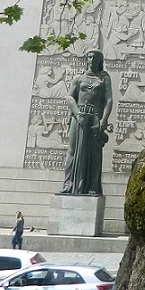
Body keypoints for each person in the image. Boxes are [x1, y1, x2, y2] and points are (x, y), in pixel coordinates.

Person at [60, 48, 114, 196]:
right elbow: (70, 97)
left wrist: (104, 119)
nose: (92, 60)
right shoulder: (78, 78)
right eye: (89, 57)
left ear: (99, 60)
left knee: (94, 154)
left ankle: (92, 186)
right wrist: (77, 114)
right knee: (72, 150)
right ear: (86, 59)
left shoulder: (104, 78)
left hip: (94, 118)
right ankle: (69, 184)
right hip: (79, 117)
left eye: (95, 57)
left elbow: (109, 100)